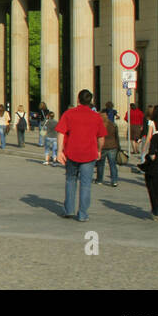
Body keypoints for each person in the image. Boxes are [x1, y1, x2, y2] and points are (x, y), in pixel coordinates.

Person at [56, 89, 107, 221]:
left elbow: (61, 132)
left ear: (78, 100)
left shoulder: (69, 113)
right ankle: (83, 214)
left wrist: (59, 151)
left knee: (70, 180)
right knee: (85, 184)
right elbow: (101, 137)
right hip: (89, 154)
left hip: (71, 153)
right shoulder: (96, 117)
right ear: (90, 101)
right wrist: (99, 150)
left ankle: (69, 210)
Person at [95, 108, 121, 186]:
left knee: (100, 164)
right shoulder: (113, 125)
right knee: (112, 164)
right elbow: (117, 137)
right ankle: (114, 180)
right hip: (113, 146)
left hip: (102, 147)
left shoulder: (98, 125)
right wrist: (118, 146)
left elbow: (96, 137)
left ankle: (99, 180)